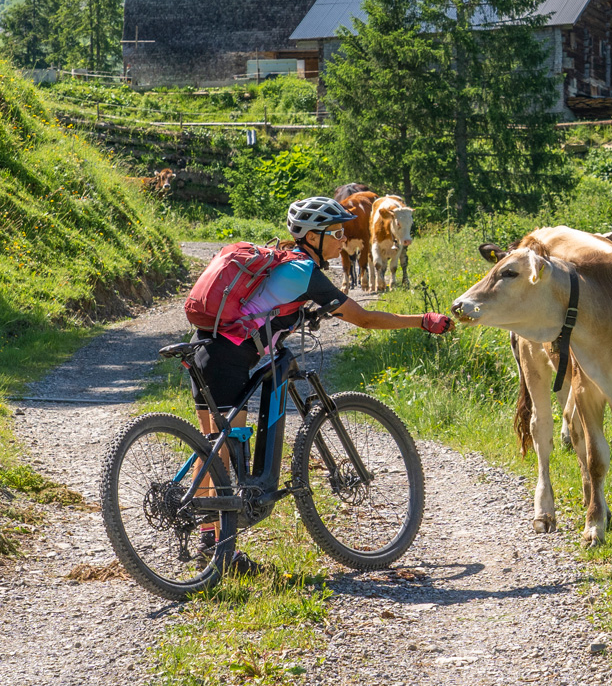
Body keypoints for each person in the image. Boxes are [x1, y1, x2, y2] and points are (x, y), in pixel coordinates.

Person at [189, 196, 452, 571]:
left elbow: (271, 304)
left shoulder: (286, 263)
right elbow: (364, 320)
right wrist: (421, 320)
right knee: (226, 453)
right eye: (337, 233)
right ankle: (222, 556)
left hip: (204, 347)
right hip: (228, 358)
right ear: (313, 236)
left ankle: (209, 546)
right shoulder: (304, 273)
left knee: (212, 452)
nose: (344, 240)